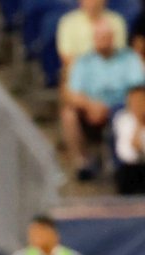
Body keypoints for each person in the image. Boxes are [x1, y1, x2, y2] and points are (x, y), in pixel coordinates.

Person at [60, 17, 145, 180]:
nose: (102, 41)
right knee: (69, 114)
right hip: (91, 109)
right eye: (99, 37)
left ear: (113, 38)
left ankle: (126, 171)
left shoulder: (129, 58)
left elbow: (137, 90)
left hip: (124, 108)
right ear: (93, 39)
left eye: (106, 37)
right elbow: (72, 94)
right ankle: (82, 164)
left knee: (128, 119)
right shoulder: (83, 62)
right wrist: (90, 105)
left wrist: (112, 109)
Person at [57, 0, 128, 71]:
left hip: (113, 73)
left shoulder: (116, 21)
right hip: (78, 74)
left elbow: (120, 54)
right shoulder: (68, 22)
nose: (92, 2)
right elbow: (66, 57)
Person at [112, 84, 145, 194]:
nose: (137, 104)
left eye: (140, 100)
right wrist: (139, 123)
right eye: (134, 101)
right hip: (130, 170)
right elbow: (128, 151)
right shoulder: (123, 119)